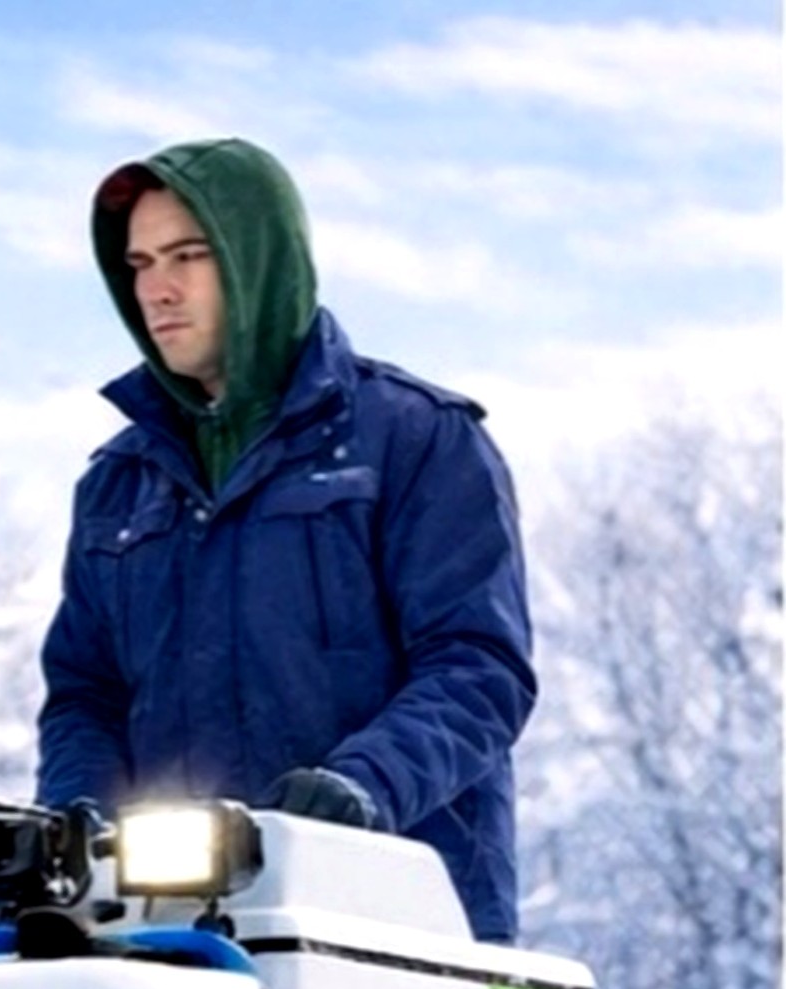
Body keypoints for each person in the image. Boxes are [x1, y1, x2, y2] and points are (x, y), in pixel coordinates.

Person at [35, 138, 534, 942]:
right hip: (172, 930)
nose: (155, 290)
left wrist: (359, 789)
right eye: (137, 265)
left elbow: (479, 670)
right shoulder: (116, 483)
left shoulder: (414, 438)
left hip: (397, 923)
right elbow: (84, 692)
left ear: (256, 259)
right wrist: (75, 816)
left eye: (187, 256)